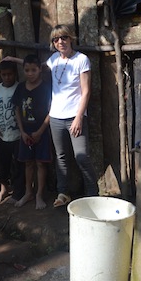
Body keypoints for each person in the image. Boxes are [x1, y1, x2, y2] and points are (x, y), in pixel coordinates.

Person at [47, 24, 98, 208]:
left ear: (70, 39)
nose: (60, 42)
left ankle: (93, 193)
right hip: (56, 117)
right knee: (61, 156)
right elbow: (34, 68)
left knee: (81, 156)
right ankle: (63, 193)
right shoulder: (53, 59)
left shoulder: (81, 60)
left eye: (63, 38)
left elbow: (86, 92)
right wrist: (14, 59)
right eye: (56, 39)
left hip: (74, 116)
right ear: (53, 43)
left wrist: (78, 118)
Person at [10, 54, 52, 210]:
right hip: (25, 132)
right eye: (27, 70)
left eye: (33, 70)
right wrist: (22, 131)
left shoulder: (46, 88)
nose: (30, 73)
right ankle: (28, 193)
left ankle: (39, 195)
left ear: (40, 70)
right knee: (28, 163)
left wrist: (40, 131)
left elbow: (51, 111)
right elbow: (17, 110)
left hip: (42, 131)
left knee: (41, 163)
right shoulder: (20, 87)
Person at [0, 61, 24, 204]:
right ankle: (4, 188)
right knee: (3, 164)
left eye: (10, 74)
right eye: (4, 75)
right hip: (2, 136)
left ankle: (19, 192)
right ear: (0, 75)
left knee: (19, 165)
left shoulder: (20, 88)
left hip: (18, 136)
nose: (7, 77)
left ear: (15, 74)